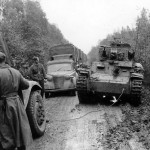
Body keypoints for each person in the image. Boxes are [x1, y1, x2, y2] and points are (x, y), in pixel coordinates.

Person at [0, 52, 32, 150]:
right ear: (4, 60)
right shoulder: (16, 71)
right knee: (20, 128)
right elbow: (26, 85)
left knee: (6, 131)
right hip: (17, 103)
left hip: (3, 105)